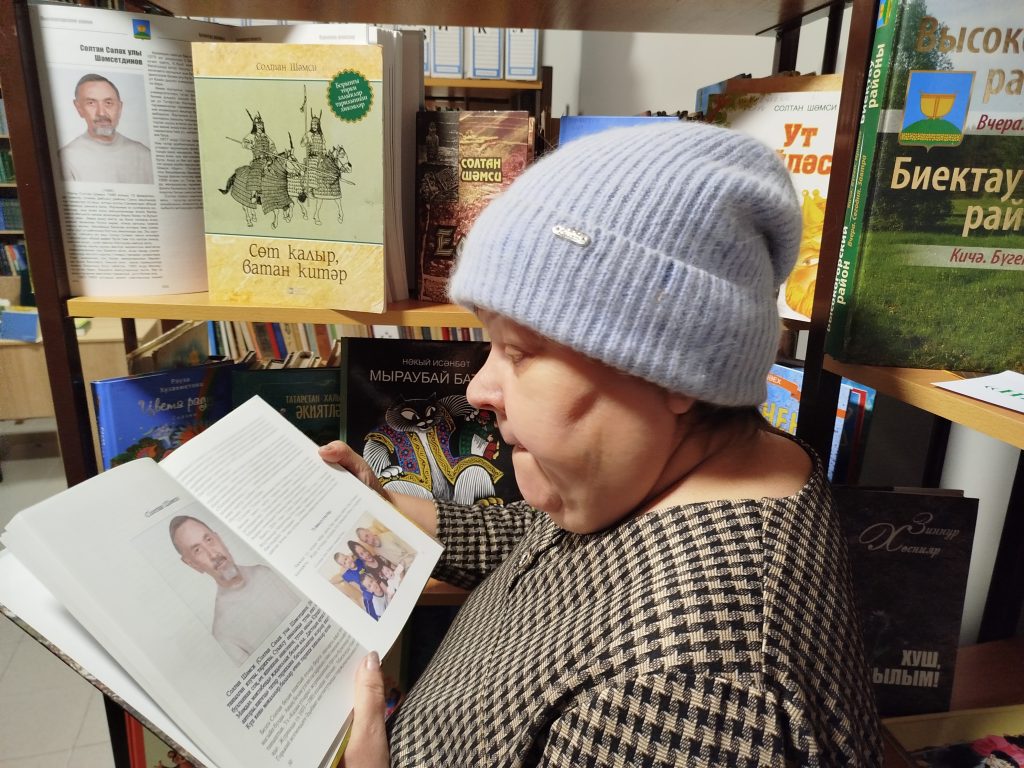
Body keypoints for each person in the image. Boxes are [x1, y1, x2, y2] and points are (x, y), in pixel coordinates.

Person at [324, 120, 882, 766]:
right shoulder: (677, 471)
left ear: (674, 370)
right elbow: (562, 556)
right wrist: (392, 509)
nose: (478, 388)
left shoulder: (692, 695)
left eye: (518, 351)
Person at [169, 515, 301, 666]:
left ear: (219, 538)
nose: (213, 554)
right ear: (193, 564)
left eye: (209, 540)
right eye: (198, 550)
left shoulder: (266, 572)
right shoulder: (223, 632)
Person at [58, 73, 153, 184]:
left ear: (120, 108)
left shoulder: (144, 155)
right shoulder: (66, 158)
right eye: (91, 103)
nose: (101, 113)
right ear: (79, 108)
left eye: (108, 103)